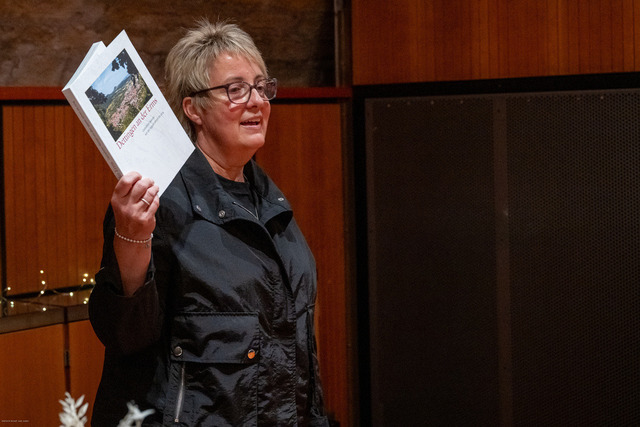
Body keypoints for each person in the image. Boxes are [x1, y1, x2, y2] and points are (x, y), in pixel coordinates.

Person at [89, 19, 329, 426]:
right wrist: (131, 237)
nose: (257, 101)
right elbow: (125, 335)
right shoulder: (158, 202)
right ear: (193, 108)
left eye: (261, 87)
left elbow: (298, 354)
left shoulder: (271, 201)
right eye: (236, 89)